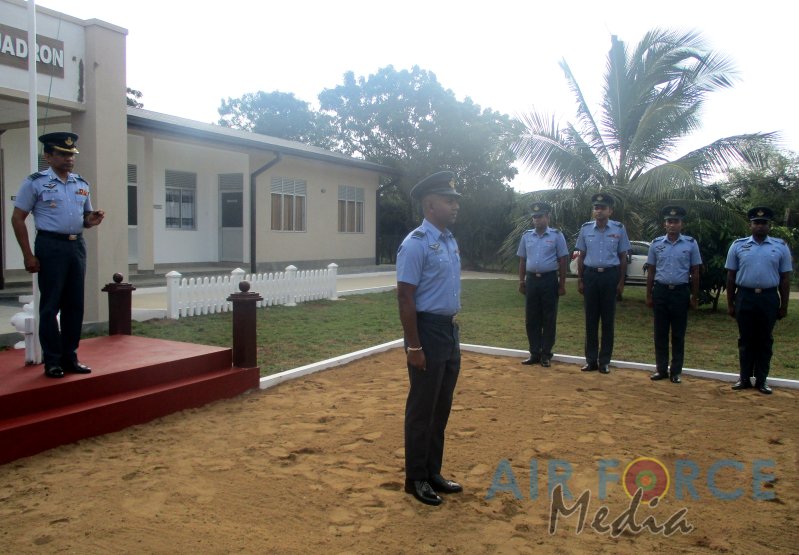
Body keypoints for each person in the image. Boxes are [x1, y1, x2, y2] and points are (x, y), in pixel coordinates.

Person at [11, 132, 105, 379]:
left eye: (71, 155)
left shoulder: (81, 184)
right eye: (63, 154)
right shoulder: (35, 183)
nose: (69, 159)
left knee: (74, 305)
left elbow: (85, 217)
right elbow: (17, 218)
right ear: (48, 156)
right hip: (50, 246)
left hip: (77, 247)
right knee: (50, 306)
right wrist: (28, 255)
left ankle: (70, 357)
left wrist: (91, 220)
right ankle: (52, 361)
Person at [396, 170, 464, 506]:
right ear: (430, 204)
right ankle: (416, 478)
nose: (455, 206)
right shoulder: (415, 244)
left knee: (441, 407)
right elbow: (405, 297)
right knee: (422, 408)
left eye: (456, 201)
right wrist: (414, 345)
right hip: (427, 331)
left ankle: (433, 471)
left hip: (450, 330)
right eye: (449, 200)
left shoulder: (449, 240)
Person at [725, 207, 792, 395]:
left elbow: (785, 278)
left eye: (763, 223)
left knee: (764, 340)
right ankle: (744, 378)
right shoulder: (738, 245)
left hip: (768, 298)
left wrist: (783, 306)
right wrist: (731, 304)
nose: (760, 226)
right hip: (745, 297)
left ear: (769, 225)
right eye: (756, 223)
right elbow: (730, 276)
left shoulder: (780, 246)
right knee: (745, 339)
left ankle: (762, 380)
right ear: (751, 225)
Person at [645, 206, 702, 384]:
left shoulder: (691, 244)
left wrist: (694, 297)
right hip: (661, 291)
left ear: (681, 224)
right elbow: (651, 271)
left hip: (680, 292)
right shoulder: (656, 244)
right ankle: (661, 369)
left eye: (676, 221)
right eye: (669, 221)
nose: (672, 224)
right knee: (660, 333)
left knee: (678, 334)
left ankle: (676, 371)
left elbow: (696, 272)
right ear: (665, 224)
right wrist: (649, 295)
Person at [575, 193, 631, 374]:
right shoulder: (585, 229)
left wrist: (621, 282)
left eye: (602, 208)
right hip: (591, 276)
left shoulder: (619, 229)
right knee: (590, 320)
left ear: (610, 210)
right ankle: (591, 360)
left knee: (608, 321)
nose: (598, 211)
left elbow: (623, 257)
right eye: (596, 208)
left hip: (610, 277)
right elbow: (581, 256)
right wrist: (581, 280)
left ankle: (604, 361)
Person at [516, 202, 568, 367]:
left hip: (549, 280)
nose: (537, 220)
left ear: (548, 217)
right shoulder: (526, 236)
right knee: (531, 318)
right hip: (532, 280)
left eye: (540, 217)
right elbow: (522, 260)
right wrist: (521, 280)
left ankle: (546, 354)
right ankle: (534, 353)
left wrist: (562, 284)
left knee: (549, 318)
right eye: (534, 217)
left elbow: (563, 260)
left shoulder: (556, 236)